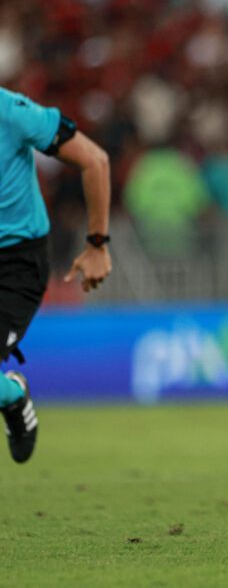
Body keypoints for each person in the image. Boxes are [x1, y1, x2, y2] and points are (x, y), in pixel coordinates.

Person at [0, 87, 112, 464]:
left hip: (14, 266)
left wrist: (97, 244)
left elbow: (95, 160)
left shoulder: (13, 113)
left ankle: (13, 397)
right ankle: (10, 393)